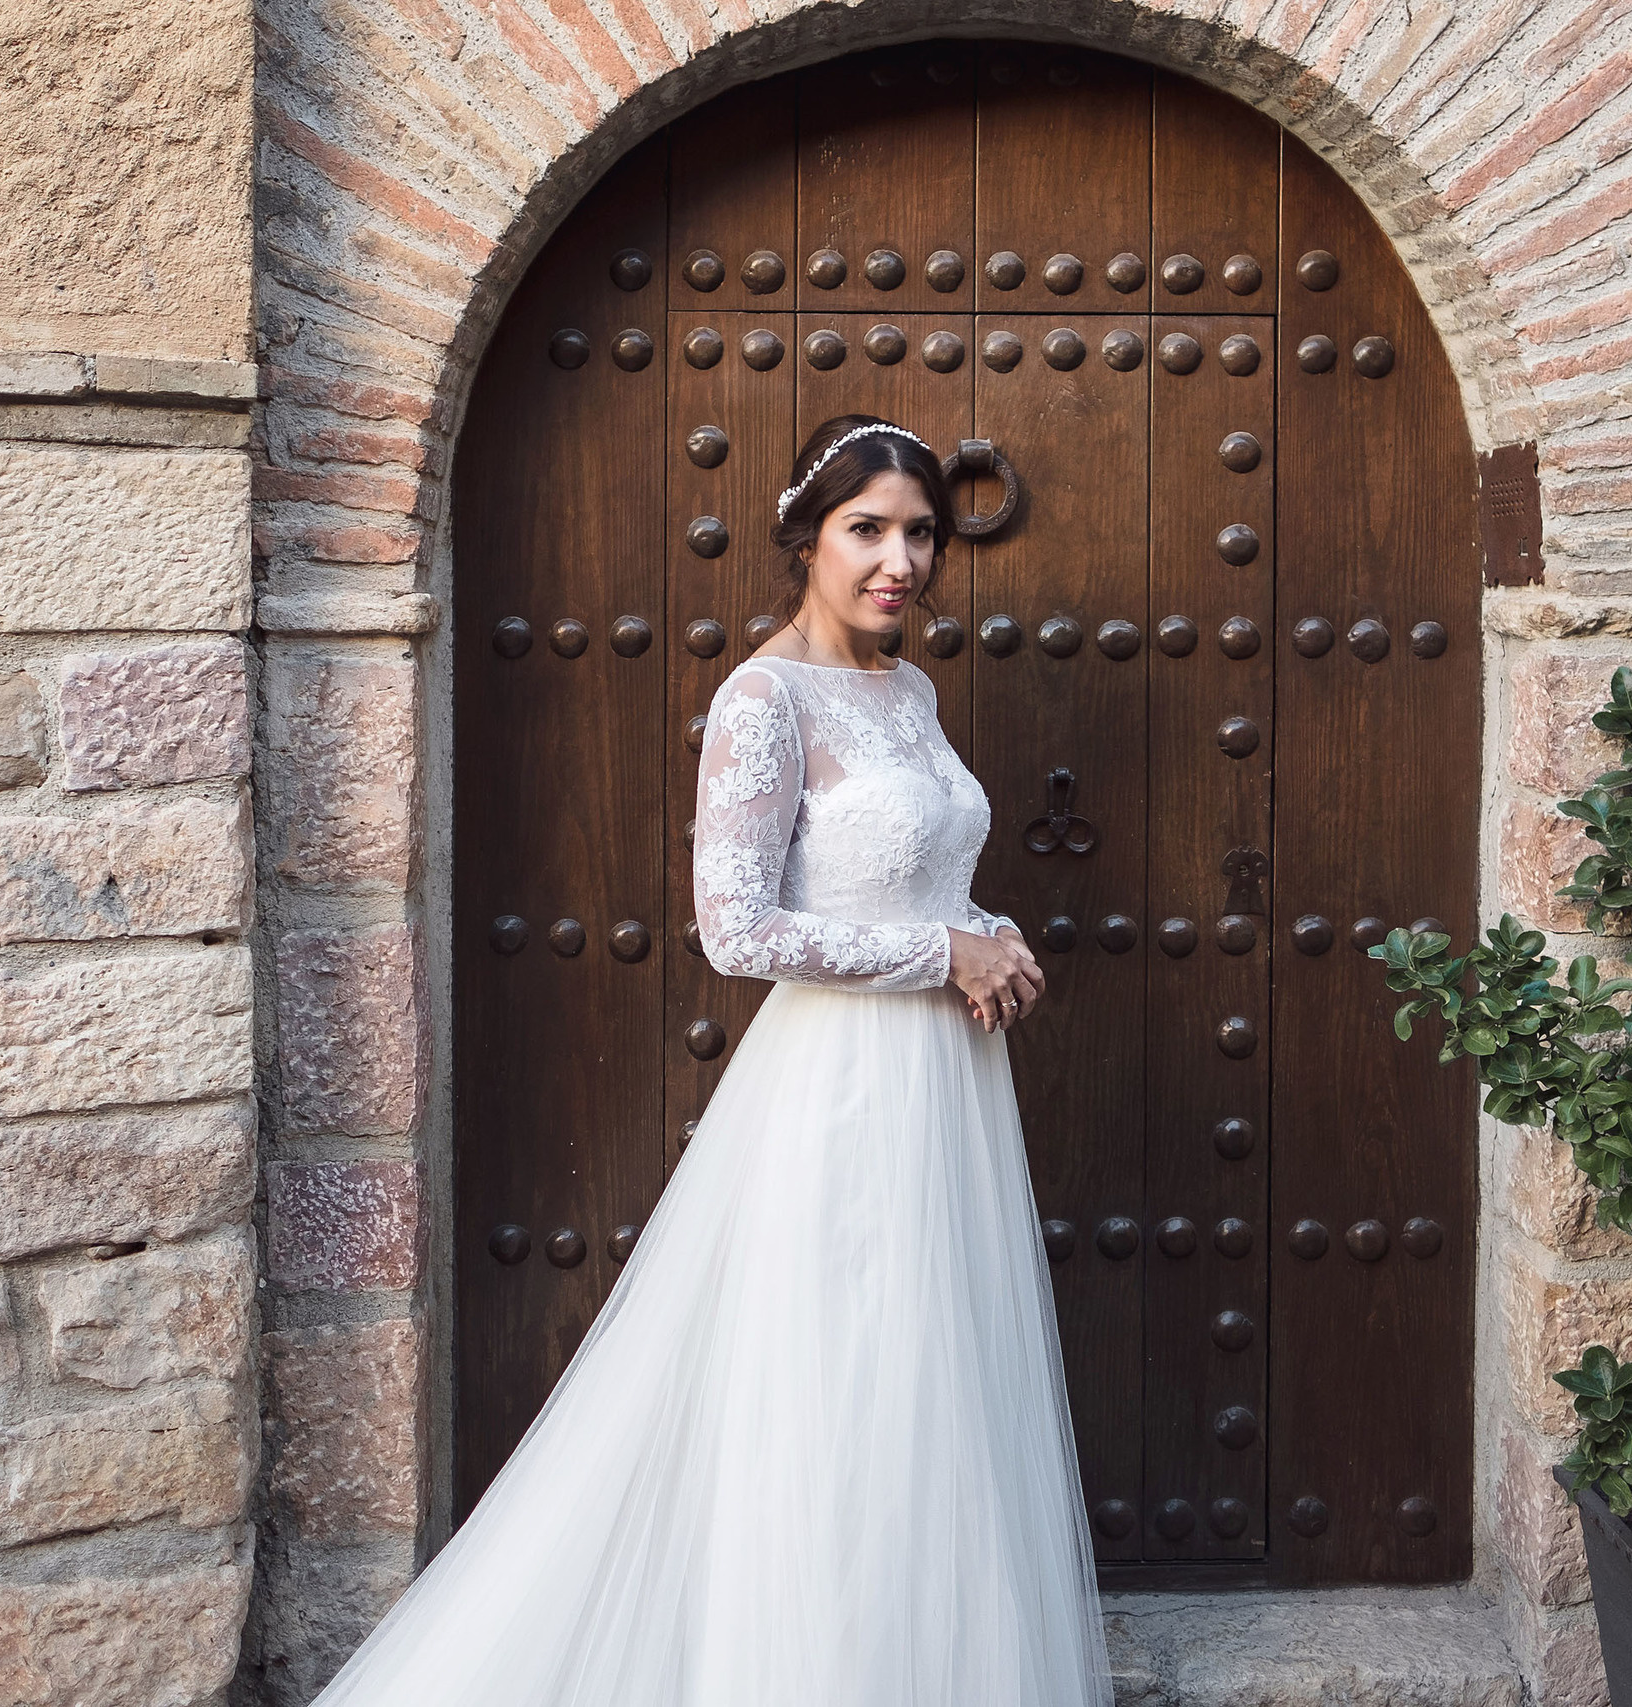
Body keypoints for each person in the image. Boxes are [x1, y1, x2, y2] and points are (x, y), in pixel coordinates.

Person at [306, 414, 1116, 1707]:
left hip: (948, 1096)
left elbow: (919, 878)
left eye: (919, 533)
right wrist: (939, 961)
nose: (898, 559)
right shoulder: (764, 699)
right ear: (807, 537)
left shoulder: (912, 692)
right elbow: (737, 932)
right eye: (868, 530)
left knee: (935, 1399)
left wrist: (989, 934)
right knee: (843, 1392)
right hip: (842, 1093)